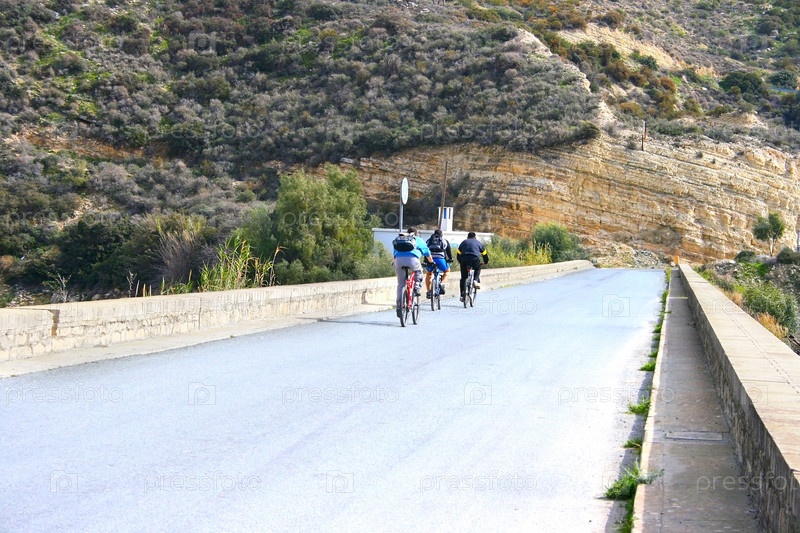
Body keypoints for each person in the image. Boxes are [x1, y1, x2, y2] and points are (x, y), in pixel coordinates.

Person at [392, 226, 433, 318]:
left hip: (398, 261)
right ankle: (417, 286)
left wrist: (394, 263)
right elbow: (426, 252)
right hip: (413, 260)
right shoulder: (417, 239)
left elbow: (394, 253)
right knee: (418, 271)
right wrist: (431, 262)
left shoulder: (400, 239)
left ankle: (399, 307)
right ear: (416, 233)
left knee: (401, 284)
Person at [457, 231, 489, 302]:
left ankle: (462, 295)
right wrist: (485, 262)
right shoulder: (479, 243)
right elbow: (485, 255)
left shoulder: (463, 242)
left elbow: (458, 254)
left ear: (467, 237)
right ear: (475, 237)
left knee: (463, 278)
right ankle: (475, 280)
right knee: (477, 268)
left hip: (464, 259)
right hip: (475, 259)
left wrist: (460, 261)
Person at [424, 228, 453, 298]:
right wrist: (450, 259)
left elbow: (425, 251)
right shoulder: (444, 240)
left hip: (430, 260)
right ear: (441, 234)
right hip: (440, 260)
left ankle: (428, 291)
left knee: (428, 273)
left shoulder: (429, 240)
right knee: (447, 271)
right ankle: (442, 283)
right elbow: (448, 251)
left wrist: (425, 260)